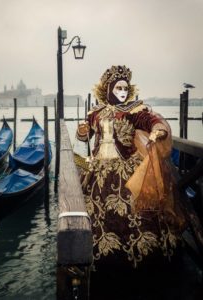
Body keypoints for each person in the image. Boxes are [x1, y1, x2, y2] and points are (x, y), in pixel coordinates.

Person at [76, 65, 185, 269]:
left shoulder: (134, 111)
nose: (123, 93)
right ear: (108, 89)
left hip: (127, 168)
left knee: (135, 210)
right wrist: (82, 131)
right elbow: (85, 136)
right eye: (118, 88)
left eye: (125, 89)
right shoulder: (95, 112)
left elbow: (153, 121)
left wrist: (158, 131)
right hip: (98, 167)